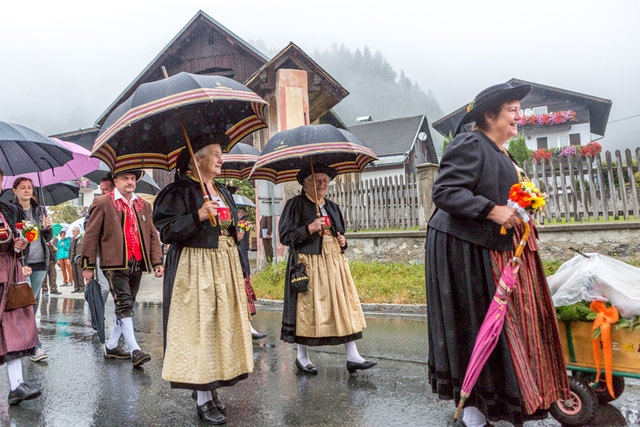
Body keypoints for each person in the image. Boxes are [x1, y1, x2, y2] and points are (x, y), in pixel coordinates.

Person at [425, 83, 569, 427]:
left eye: (520, 109)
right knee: (480, 324)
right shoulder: (470, 143)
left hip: (495, 248)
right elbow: (445, 191)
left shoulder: (502, 152)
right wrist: (491, 210)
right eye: (512, 109)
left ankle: (488, 407)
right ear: (490, 116)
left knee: (501, 325)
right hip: (466, 251)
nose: (520, 115)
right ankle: (474, 414)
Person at [153, 134, 253, 425]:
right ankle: (202, 397)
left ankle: (210, 386)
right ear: (196, 160)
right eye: (215, 154)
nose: (221, 159)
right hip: (195, 265)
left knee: (220, 326)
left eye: (221, 154)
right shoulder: (178, 191)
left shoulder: (221, 189)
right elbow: (167, 231)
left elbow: (227, 224)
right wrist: (197, 215)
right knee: (200, 327)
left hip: (223, 264)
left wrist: (234, 233)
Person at [279, 164, 375, 375]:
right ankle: (302, 356)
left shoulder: (331, 206)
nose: (322, 184)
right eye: (317, 180)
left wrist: (343, 241)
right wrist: (309, 228)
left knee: (342, 304)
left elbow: (340, 232)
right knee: (307, 308)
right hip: (309, 262)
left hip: (334, 262)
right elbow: (285, 236)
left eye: (325, 181)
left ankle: (353, 355)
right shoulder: (295, 205)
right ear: (306, 184)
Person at [82, 169, 163, 368]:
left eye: (132, 179)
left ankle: (111, 346)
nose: (130, 182)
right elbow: (91, 235)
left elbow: (152, 235)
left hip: (137, 262)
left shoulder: (143, 205)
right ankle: (135, 349)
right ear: (115, 181)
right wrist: (88, 265)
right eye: (125, 178)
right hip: (113, 262)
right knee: (125, 303)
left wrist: (157, 262)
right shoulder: (102, 202)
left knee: (127, 304)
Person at [0, 169, 42, 405]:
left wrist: (18, 245)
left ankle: (16, 386)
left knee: (14, 325)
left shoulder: (8, 209)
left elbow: (19, 241)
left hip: (10, 273)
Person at [11, 177, 53, 363]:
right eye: (23, 187)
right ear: (15, 191)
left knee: (33, 303)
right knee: (27, 303)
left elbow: (47, 237)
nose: (27, 190)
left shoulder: (40, 210)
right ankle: (34, 345)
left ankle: (24, 340)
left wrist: (47, 228)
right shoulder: (11, 211)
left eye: (29, 187)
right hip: (23, 262)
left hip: (41, 261)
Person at [237, 207, 266, 341]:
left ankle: (249, 328)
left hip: (239, 257)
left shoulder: (242, 223)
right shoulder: (242, 222)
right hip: (231, 258)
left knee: (242, 297)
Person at [69, 226, 84, 293]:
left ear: (78, 232)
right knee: (74, 273)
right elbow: (70, 249)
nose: (73, 232)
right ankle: (76, 287)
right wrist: (69, 258)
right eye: (72, 231)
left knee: (80, 273)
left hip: (79, 258)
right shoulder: (72, 239)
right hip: (73, 258)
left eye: (74, 231)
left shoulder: (82, 239)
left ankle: (81, 287)